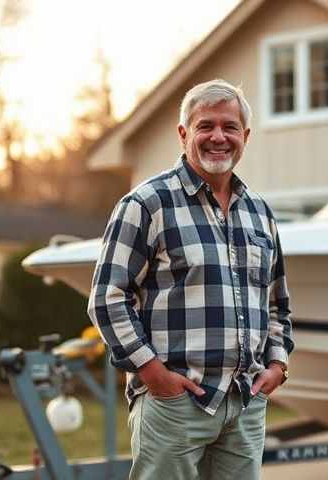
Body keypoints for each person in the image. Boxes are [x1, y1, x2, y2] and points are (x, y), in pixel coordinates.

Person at [88, 79, 294, 479]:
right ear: (184, 134)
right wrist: (154, 374)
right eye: (206, 126)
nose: (218, 136)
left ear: (245, 136)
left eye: (229, 127)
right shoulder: (147, 203)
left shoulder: (260, 213)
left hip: (245, 403)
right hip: (174, 404)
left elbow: (277, 302)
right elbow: (108, 297)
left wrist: (278, 365)